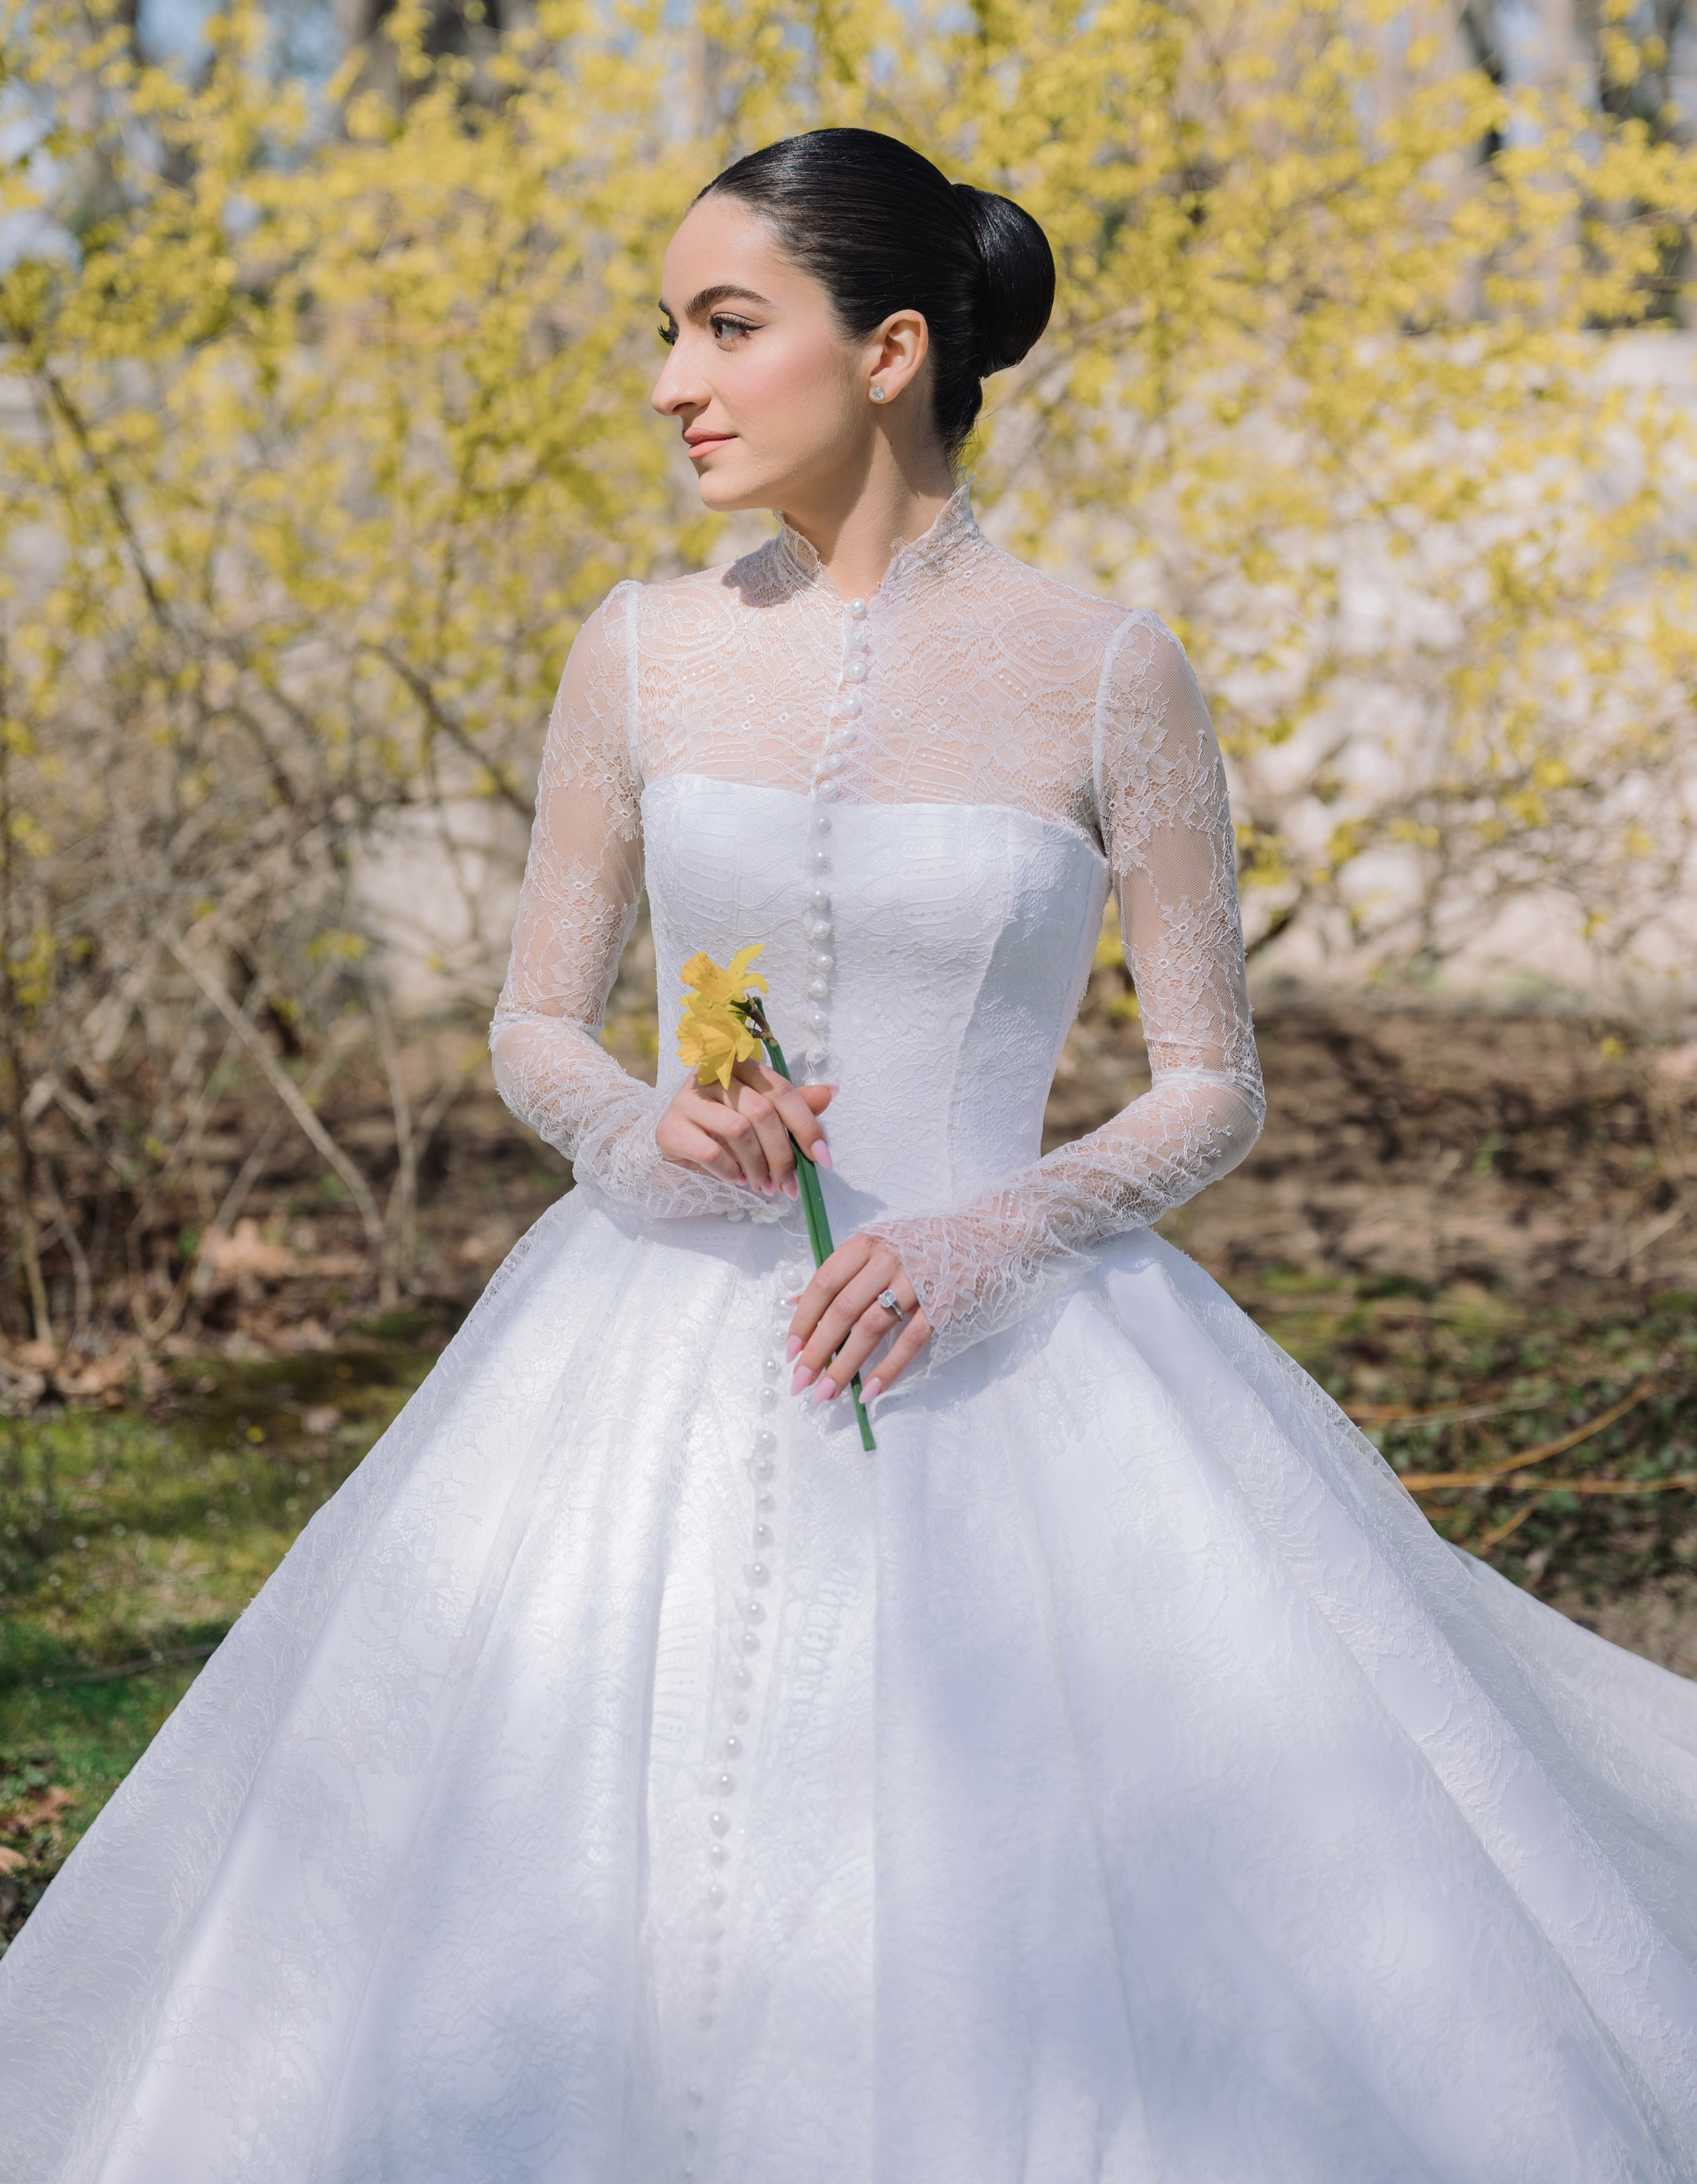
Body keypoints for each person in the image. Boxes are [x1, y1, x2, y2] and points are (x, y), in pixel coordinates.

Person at [2, 128, 1694, 2184]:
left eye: (729, 325)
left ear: (891, 349)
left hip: (1011, 1362)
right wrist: (651, 1119)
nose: (670, 381)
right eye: (667, 329)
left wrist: (992, 1238)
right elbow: (536, 1019)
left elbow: (1209, 1082)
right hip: (638, 1351)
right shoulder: (636, 646)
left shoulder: (1108, 672)